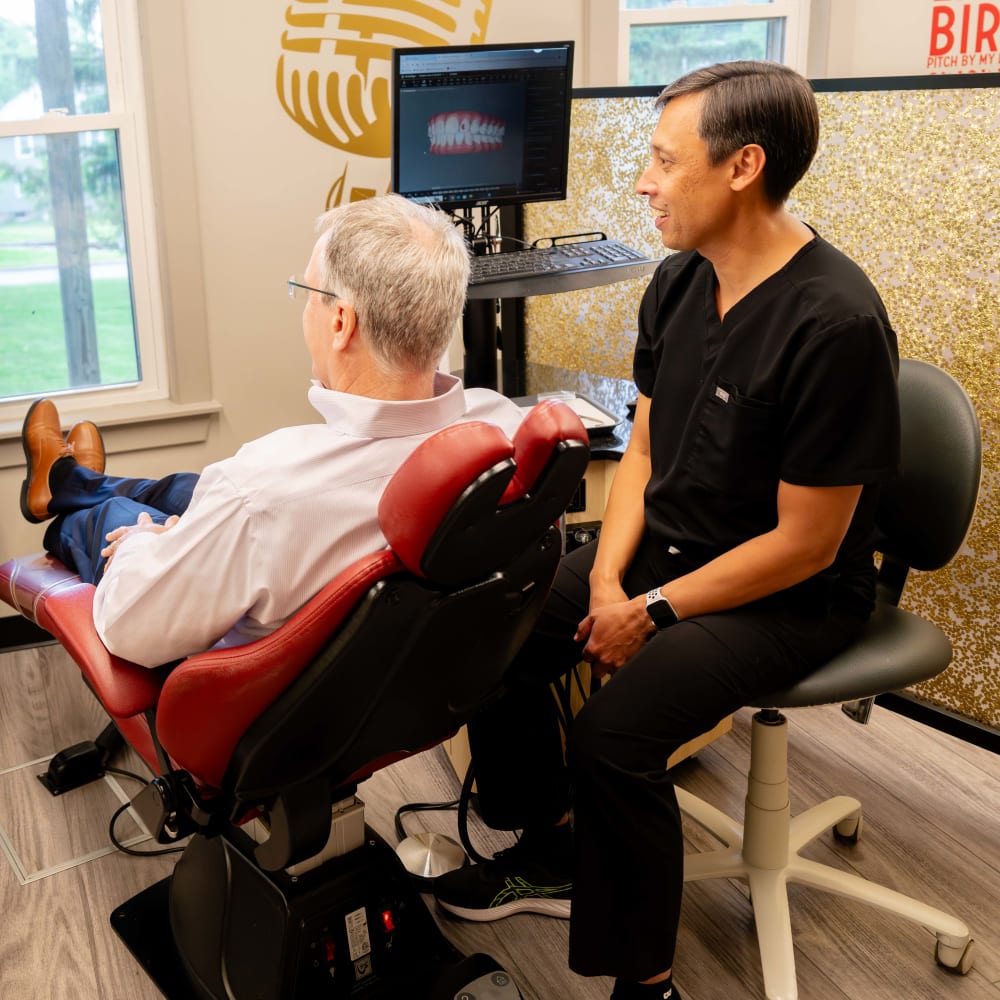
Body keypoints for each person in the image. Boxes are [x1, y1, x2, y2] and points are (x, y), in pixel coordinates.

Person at [432, 61, 901, 1000]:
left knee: (614, 737)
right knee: (489, 621)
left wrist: (648, 609)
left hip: (791, 595)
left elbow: (807, 544)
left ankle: (646, 984)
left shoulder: (836, 322)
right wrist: (607, 581)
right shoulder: (684, 281)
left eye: (661, 159)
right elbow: (645, 444)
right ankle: (552, 847)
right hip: (667, 552)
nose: (642, 182)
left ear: (743, 167)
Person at [18, 193, 524, 669]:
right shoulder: (501, 427)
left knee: (113, 517)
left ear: (341, 322)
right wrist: (199, 534)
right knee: (178, 490)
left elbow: (129, 626)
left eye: (307, 293)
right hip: (394, 662)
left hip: (250, 691)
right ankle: (68, 480)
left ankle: (67, 500)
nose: (304, 309)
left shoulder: (262, 490)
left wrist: (145, 543)